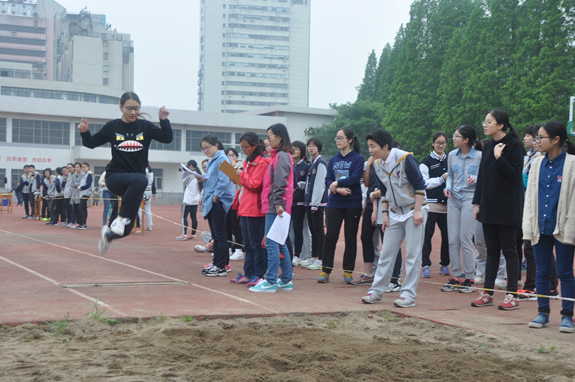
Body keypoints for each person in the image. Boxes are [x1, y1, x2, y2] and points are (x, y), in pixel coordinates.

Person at [79, 92, 173, 253]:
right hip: (115, 177)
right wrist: (84, 132)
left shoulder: (146, 127)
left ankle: (108, 235)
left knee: (127, 229)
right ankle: (119, 219)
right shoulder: (112, 126)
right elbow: (91, 143)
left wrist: (164, 120)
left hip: (135, 183)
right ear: (121, 108)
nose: (133, 112)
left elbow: (167, 138)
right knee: (142, 180)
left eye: (136, 108)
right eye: (129, 108)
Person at [361, 129, 428, 307]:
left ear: (385, 146)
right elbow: (383, 190)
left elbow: (420, 185)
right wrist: (385, 214)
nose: (370, 151)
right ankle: (376, 292)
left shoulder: (405, 159)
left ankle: (408, 295)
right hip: (394, 213)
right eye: (369, 146)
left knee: (412, 255)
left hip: (414, 209)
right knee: (386, 253)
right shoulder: (377, 164)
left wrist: (418, 210)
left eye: (373, 146)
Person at [471, 109, 524, 310]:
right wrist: (477, 203)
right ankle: (488, 293)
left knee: (510, 251)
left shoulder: (515, 145)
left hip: (508, 207)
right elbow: (482, 177)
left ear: (501, 125)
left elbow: (514, 175)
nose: (485, 125)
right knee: (491, 251)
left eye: (489, 121)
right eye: (484, 121)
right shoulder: (486, 146)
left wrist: (499, 157)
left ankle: (512, 296)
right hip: (489, 206)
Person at [524, 121, 575, 333]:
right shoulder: (535, 163)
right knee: (542, 271)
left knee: (565, 272)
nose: (537, 141)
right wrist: (529, 223)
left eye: (541, 137)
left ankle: (567, 316)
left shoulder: (572, 164)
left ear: (555, 140)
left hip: (563, 226)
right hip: (540, 226)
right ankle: (543, 312)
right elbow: (529, 197)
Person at [249, 123, 294, 293]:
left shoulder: (282, 156)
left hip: (276, 205)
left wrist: (277, 204)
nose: (268, 140)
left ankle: (270, 281)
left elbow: (280, 182)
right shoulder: (279, 155)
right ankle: (286, 279)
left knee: (271, 242)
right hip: (278, 204)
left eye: (270, 136)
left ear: (279, 137)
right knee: (279, 242)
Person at [317, 128, 364, 284]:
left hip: (352, 202)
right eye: (336, 138)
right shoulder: (333, 160)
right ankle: (325, 271)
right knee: (331, 235)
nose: (338, 141)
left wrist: (337, 183)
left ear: (350, 140)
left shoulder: (358, 158)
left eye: (341, 138)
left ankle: (348, 272)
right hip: (335, 202)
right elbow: (328, 180)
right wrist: (337, 189)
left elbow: (355, 178)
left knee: (350, 237)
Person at [441, 126, 483, 293]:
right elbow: (450, 175)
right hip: (453, 199)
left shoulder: (480, 156)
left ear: (466, 140)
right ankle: (456, 276)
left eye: (456, 136)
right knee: (452, 239)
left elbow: (485, 176)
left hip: (470, 199)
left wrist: (477, 178)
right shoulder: (452, 155)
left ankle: (470, 278)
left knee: (465, 238)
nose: (453, 138)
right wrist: (448, 186)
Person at [230, 132, 270, 286]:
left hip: (255, 209)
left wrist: (241, 175)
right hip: (245, 207)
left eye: (246, 147)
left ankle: (259, 274)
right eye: (242, 147)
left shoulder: (262, 163)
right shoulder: (248, 162)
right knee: (247, 243)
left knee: (256, 244)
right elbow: (246, 184)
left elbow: (255, 184)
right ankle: (248, 273)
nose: (244, 150)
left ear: (254, 146)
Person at [200, 134, 235, 276]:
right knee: (217, 235)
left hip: (218, 201)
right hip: (211, 200)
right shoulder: (212, 161)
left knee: (220, 235)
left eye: (207, 147)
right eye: (203, 149)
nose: (205, 151)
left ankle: (220, 265)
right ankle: (220, 263)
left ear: (216, 145)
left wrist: (216, 195)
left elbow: (225, 179)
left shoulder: (222, 158)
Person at [419, 132, 450, 278]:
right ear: (432, 143)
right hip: (431, 206)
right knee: (427, 236)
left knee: (447, 236)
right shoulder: (426, 162)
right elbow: (424, 183)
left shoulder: (450, 159)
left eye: (443, 142)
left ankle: (445, 264)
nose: (440, 145)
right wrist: (441, 179)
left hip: (447, 206)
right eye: (438, 142)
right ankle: (425, 264)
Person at [300, 137, 327, 271]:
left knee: (318, 231)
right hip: (309, 202)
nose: (311, 148)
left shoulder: (320, 163)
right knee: (313, 230)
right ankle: (315, 256)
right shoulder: (312, 163)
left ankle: (321, 258)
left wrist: (315, 204)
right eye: (309, 146)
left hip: (317, 203)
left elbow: (320, 185)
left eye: (314, 146)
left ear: (318, 147)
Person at [290, 140, 310, 266]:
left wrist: (298, 185)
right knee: (287, 230)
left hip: (299, 203)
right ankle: (288, 253)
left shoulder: (306, 166)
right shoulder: (288, 164)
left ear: (302, 152)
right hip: (288, 202)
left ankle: (297, 255)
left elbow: (308, 184)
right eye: (292, 149)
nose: (294, 151)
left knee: (298, 229)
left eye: (296, 149)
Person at [226, 147, 244, 260]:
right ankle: (227, 249)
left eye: (233, 155)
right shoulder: (224, 169)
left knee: (236, 225)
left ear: (237, 157)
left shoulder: (240, 168)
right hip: (227, 200)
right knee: (226, 225)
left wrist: (233, 165)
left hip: (237, 201)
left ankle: (239, 250)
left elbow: (239, 179)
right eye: (228, 155)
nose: (231, 157)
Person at [177, 160, 202, 241]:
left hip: (187, 200)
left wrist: (184, 172)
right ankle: (193, 234)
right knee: (193, 217)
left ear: (191, 166)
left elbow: (184, 183)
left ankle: (184, 234)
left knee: (184, 216)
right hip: (195, 200)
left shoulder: (190, 174)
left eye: (188, 166)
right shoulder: (199, 174)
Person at [76, 162, 94, 230]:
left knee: (81, 208)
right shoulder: (85, 174)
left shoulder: (89, 174)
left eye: (85, 166)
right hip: (82, 193)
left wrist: (81, 188)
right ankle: (83, 223)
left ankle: (83, 224)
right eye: (83, 167)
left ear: (88, 167)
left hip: (86, 193)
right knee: (83, 208)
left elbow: (88, 184)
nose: (84, 168)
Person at [137, 166, 155, 231]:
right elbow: (153, 184)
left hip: (143, 190)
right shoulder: (151, 172)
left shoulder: (143, 170)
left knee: (139, 208)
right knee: (148, 209)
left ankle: (140, 225)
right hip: (149, 191)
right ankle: (150, 225)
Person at [67, 162, 83, 228]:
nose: (76, 168)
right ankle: (72, 221)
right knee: (73, 208)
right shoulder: (73, 175)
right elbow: (71, 183)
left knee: (79, 208)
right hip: (73, 193)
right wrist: (76, 185)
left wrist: (76, 185)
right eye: (75, 167)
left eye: (78, 167)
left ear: (80, 168)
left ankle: (79, 222)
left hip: (79, 193)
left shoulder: (83, 175)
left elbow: (81, 183)